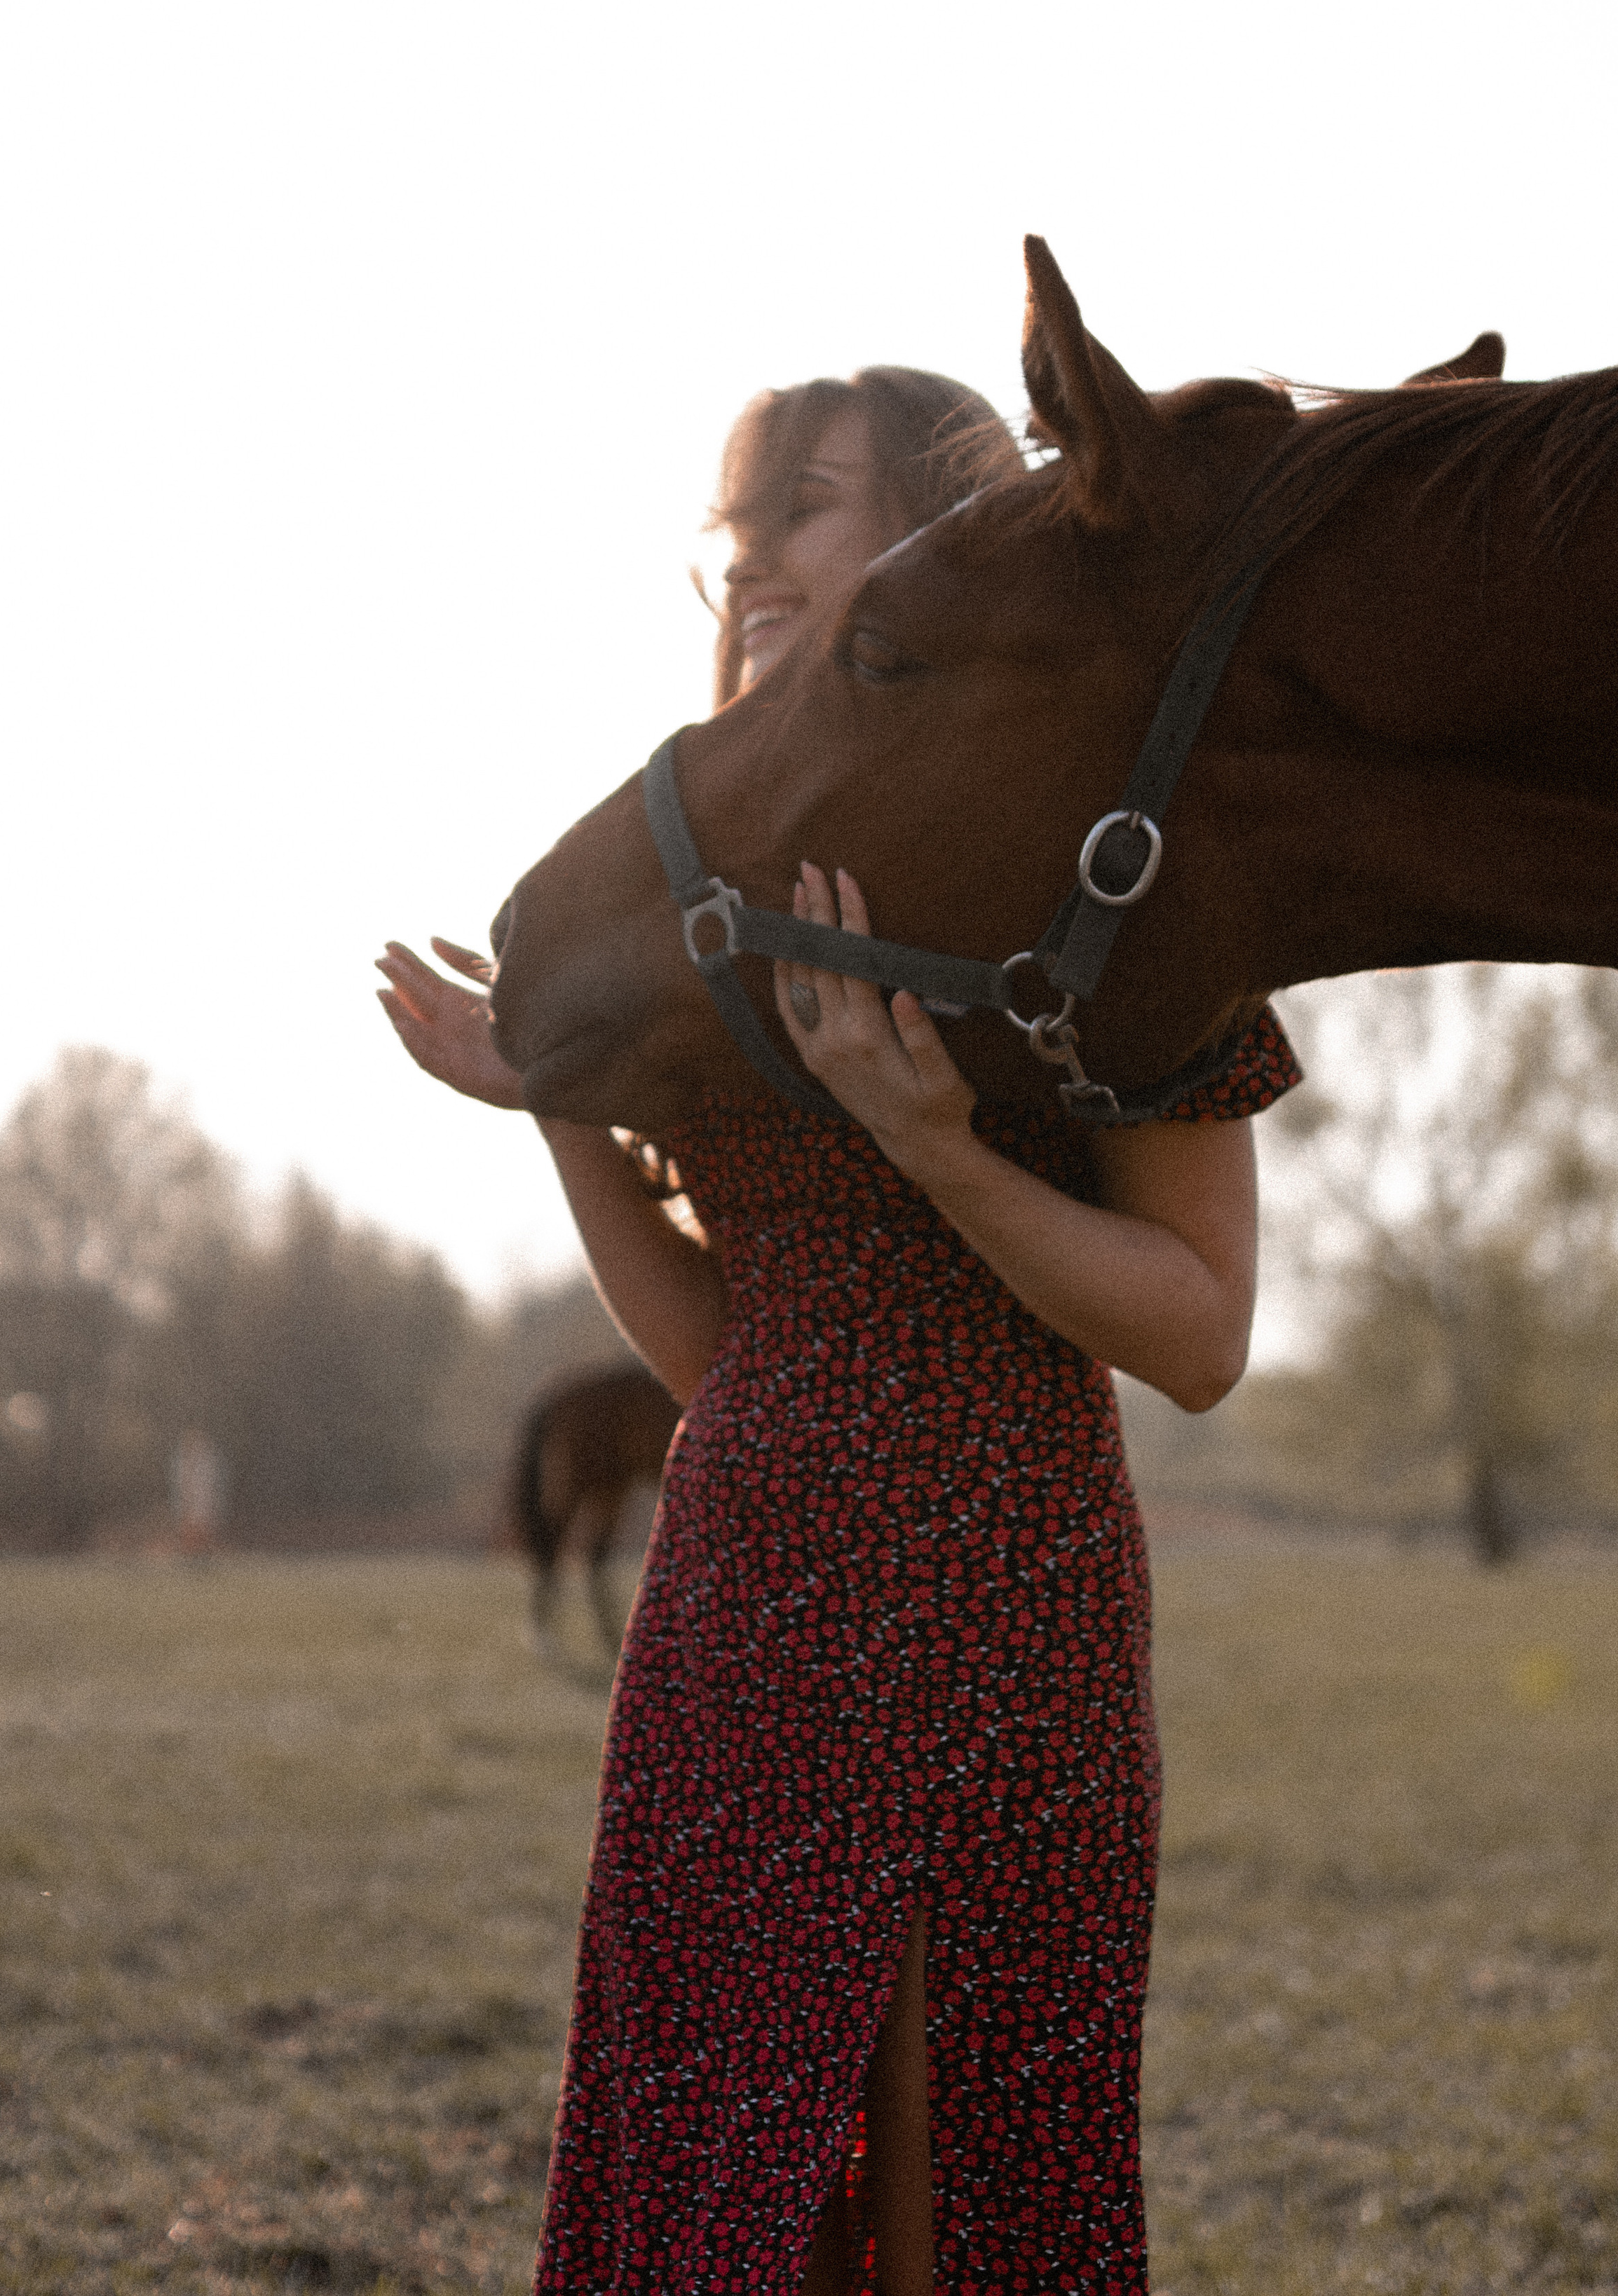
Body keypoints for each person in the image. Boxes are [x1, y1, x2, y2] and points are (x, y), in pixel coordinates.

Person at [377, 367, 1299, 2294]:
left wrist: (941, 1147)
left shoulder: (1109, 870)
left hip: (1016, 1611)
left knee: (984, 2177)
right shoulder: (699, 898)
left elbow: (1203, 1335)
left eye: (809, 505)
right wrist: (558, 1092)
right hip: (748, 1611)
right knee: (721, 2158)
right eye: (740, 526)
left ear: (951, 546)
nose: (758, 560)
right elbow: (733, 1360)